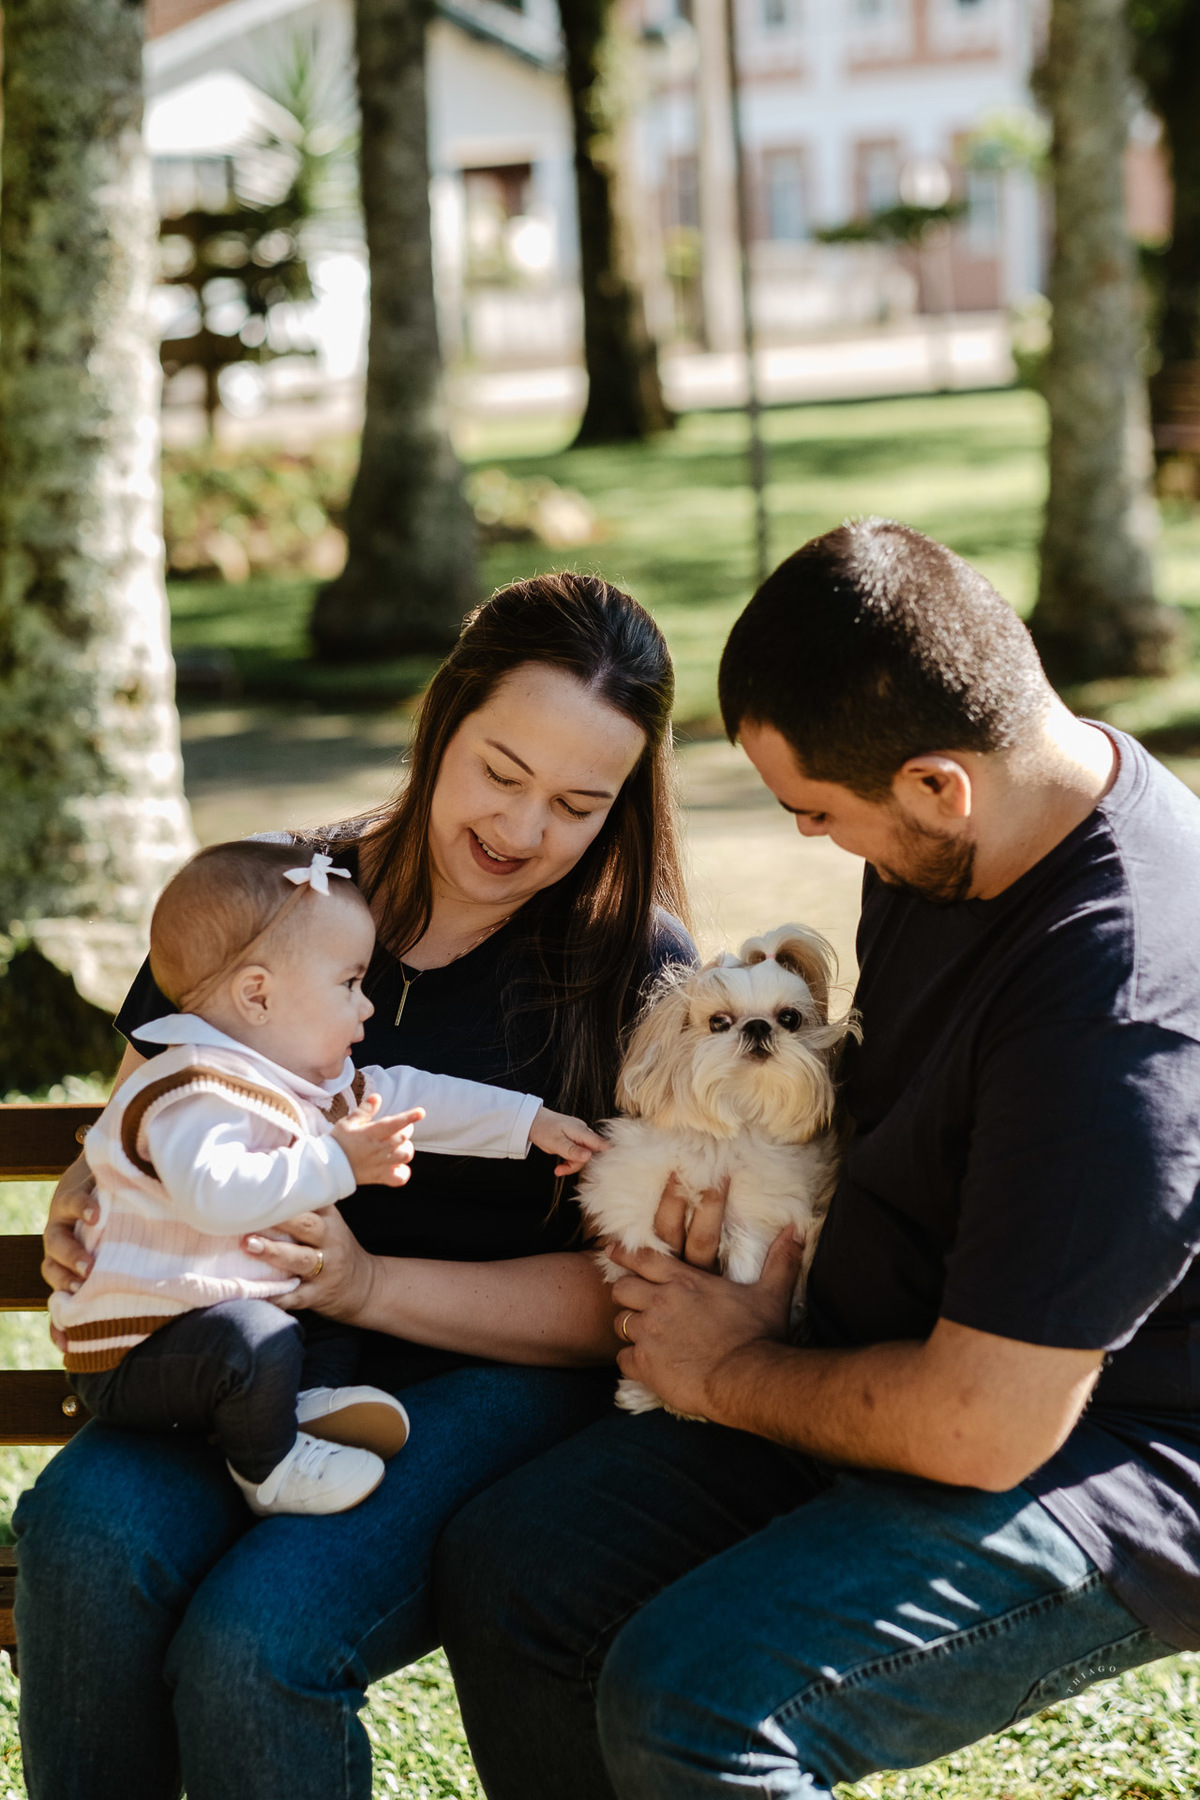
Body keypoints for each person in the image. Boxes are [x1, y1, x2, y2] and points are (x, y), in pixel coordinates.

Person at [436, 519, 1200, 1800]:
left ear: (935, 783)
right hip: (871, 1353)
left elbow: (984, 1426)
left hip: (1103, 1450)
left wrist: (729, 1367)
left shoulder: (1116, 1011)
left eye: (818, 814)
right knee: (518, 1567)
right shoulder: (970, 839)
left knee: (695, 1697)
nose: (811, 843)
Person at [16, 572, 694, 1800]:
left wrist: (371, 1284)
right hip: (240, 1359)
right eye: (501, 771)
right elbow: (146, 1102)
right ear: (442, 721)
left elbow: (627, 1299)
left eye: (578, 804)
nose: (524, 830)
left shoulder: (631, 970)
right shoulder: (283, 899)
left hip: (494, 1387)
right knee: (80, 1534)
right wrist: (86, 1186)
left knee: (255, 1645)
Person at [58, 838, 606, 1519]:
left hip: (215, 1321)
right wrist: (339, 1164)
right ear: (258, 995)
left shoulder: (290, 1078)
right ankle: (271, 1468)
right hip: (142, 1346)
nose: (367, 1008)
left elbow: (405, 1093)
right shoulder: (194, 1086)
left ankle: (297, 1405)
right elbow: (215, 1195)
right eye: (349, 985)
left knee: (319, 1319)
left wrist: (529, 1124)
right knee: (253, 1342)